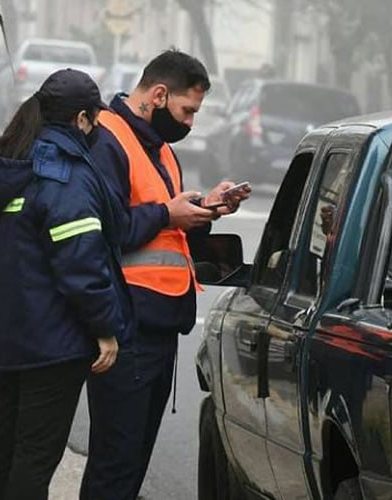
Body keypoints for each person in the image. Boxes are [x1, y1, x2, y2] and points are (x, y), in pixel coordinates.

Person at [81, 49, 250, 500]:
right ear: (158, 94)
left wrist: (204, 210)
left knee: (132, 464)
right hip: (124, 329)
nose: (191, 122)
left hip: (158, 327)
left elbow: (167, 233)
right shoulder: (109, 139)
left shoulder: (160, 149)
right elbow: (102, 231)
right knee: (114, 466)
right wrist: (168, 215)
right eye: (187, 110)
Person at [0, 68, 134, 500]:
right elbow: (81, 264)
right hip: (52, 343)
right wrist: (104, 329)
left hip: (7, 335)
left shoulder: (3, 160)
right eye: (94, 119)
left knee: (2, 447)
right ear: (81, 119)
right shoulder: (64, 173)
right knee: (35, 457)